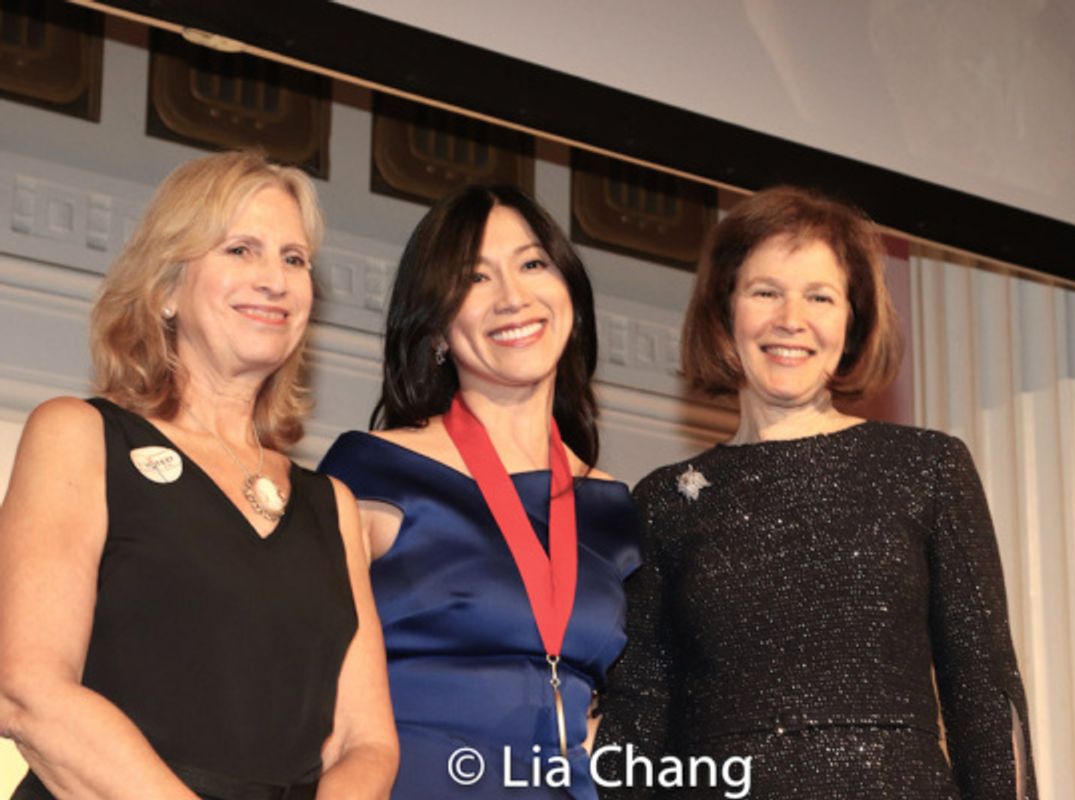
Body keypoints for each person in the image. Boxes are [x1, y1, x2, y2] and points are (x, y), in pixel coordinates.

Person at [597, 186, 1037, 799]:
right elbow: (638, 724)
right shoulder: (665, 500)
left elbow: (986, 694)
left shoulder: (928, 467)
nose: (791, 319)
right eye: (765, 291)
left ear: (852, 319)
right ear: (725, 311)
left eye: (819, 296)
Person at [0, 151, 398, 799]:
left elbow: (366, 743)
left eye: (294, 259)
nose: (275, 279)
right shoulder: (78, 435)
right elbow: (28, 690)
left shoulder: (335, 506)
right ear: (164, 289)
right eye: (241, 249)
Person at [318, 184, 640, 800]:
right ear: (436, 325)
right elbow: (298, 684)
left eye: (532, 263)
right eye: (475, 278)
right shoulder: (371, 471)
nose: (513, 297)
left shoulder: (616, 510)